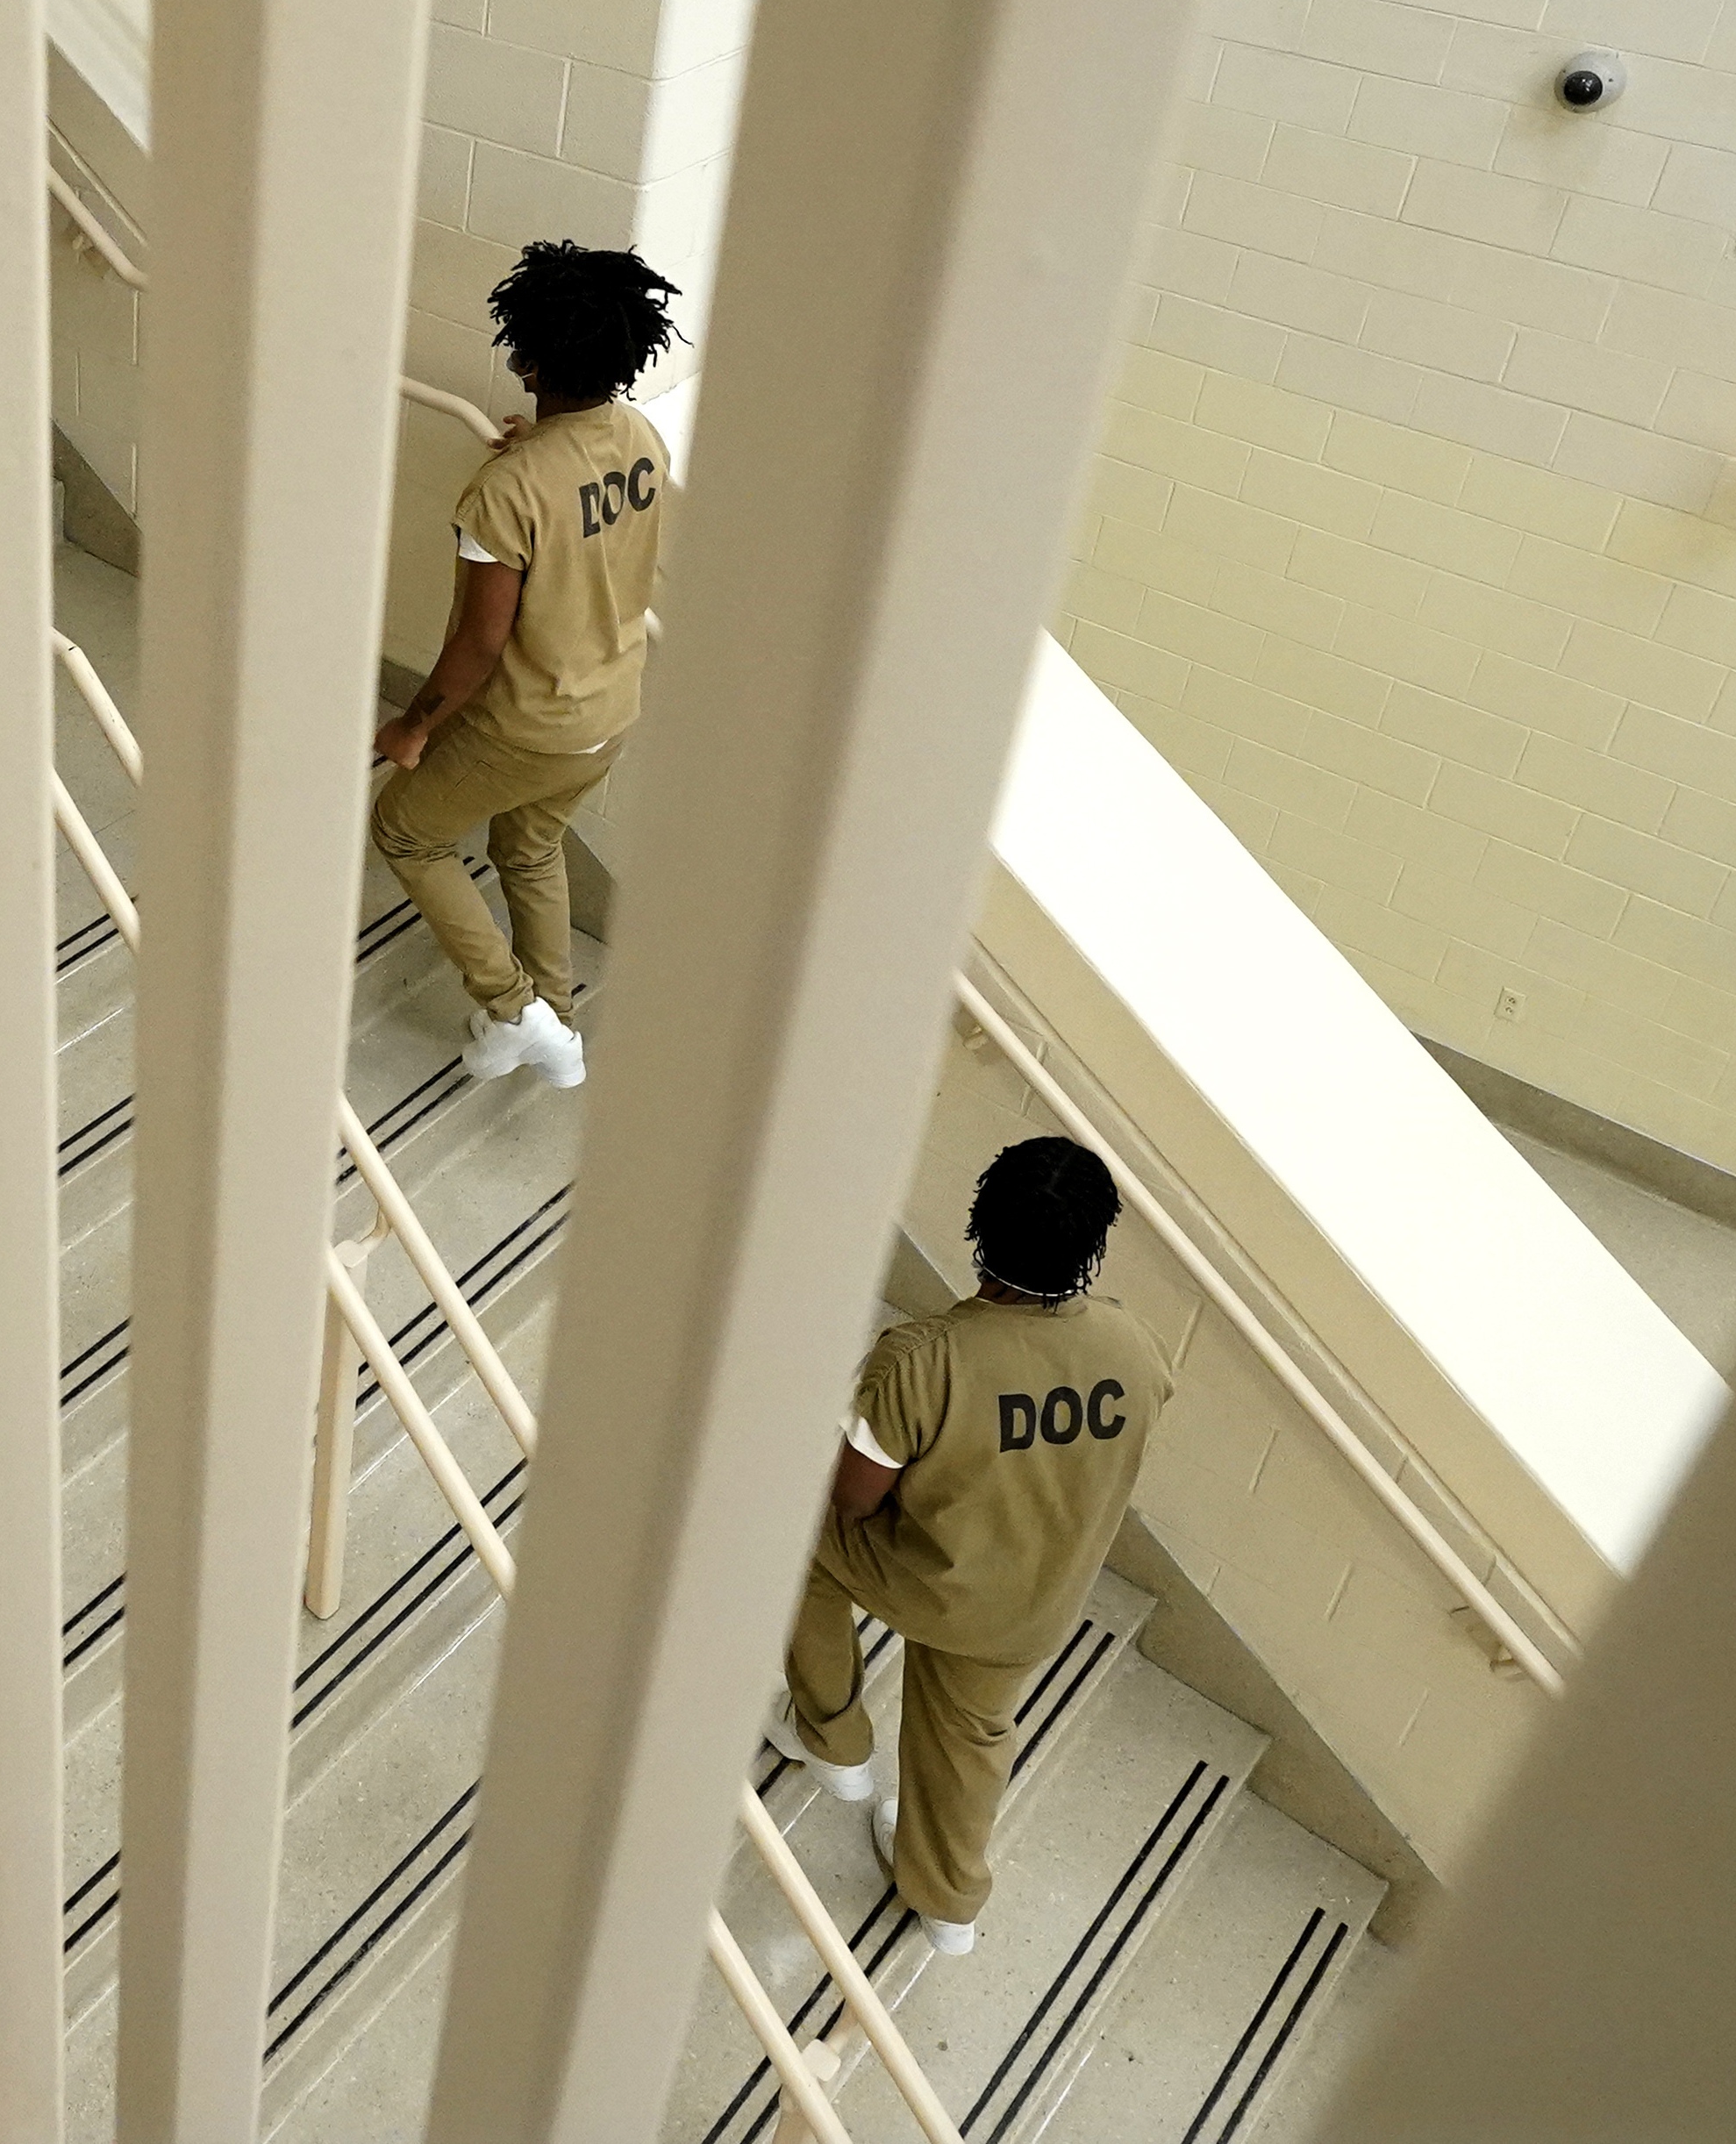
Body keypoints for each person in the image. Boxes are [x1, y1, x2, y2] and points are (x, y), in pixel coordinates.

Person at [775, 1138, 1175, 1955]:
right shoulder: (1133, 1349)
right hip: (1034, 1608)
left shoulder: (923, 1361)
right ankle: (948, 1904)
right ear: (1092, 1246)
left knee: (789, 1523)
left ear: (979, 1233)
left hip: (928, 1581)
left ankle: (834, 1739)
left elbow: (851, 1500)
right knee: (969, 1741)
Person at [369, 239, 682, 1089]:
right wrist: (536, 445)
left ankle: (509, 1006)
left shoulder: (502, 493)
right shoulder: (639, 436)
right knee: (530, 843)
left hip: (529, 725)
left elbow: (477, 644)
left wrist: (411, 725)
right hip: (611, 712)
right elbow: (577, 484)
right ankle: (556, 1029)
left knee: (403, 829)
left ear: (528, 357)